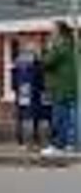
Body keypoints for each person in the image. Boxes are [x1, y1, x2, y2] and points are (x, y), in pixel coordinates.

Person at [42, 20, 79, 154]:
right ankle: (72, 144)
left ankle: (58, 145)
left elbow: (47, 62)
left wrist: (46, 49)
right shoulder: (73, 44)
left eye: (53, 30)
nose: (50, 33)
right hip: (74, 86)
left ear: (59, 32)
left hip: (61, 87)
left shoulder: (59, 46)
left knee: (59, 117)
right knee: (73, 117)